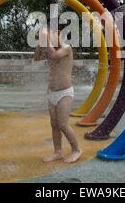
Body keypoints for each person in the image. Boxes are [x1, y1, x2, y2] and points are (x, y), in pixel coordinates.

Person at [34, 23, 82, 164]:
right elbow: (36, 58)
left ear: (59, 34)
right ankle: (58, 151)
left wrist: (46, 39)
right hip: (52, 93)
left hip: (65, 93)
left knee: (62, 124)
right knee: (54, 124)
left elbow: (54, 56)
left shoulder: (66, 48)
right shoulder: (50, 48)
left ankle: (76, 150)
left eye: (50, 34)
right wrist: (40, 43)